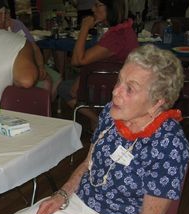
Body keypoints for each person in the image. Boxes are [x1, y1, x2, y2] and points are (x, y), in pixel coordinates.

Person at [0, 44, 189, 214]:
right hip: (81, 202)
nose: (116, 92)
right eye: (119, 81)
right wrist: (62, 195)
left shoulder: (170, 145)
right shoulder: (112, 113)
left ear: (157, 102)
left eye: (130, 88)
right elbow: (89, 162)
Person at [58, 0, 138, 131]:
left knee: (63, 88)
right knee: (77, 83)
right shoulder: (124, 29)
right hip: (115, 82)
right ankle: (99, 121)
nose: (93, 9)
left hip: (111, 87)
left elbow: (77, 60)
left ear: (110, 8)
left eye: (97, 5)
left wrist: (84, 28)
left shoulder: (116, 36)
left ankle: (98, 120)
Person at [5, 9, 61, 102]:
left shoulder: (17, 24)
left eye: (7, 13)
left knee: (58, 80)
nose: (6, 17)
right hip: (16, 68)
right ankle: (38, 107)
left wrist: (40, 66)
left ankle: (43, 108)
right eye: (4, 14)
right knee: (46, 83)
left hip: (29, 63)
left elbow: (35, 48)